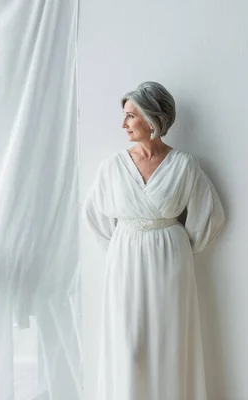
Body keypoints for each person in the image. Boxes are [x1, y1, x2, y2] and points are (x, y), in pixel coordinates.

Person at [85, 81, 225, 400]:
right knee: (129, 348)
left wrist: (176, 247)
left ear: (151, 120)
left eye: (130, 116)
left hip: (171, 262)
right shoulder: (112, 167)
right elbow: (95, 216)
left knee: (170, 344)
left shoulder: (185, 165)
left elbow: (210, 216)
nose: (123, 124)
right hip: (125, 261)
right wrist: (124, 245)